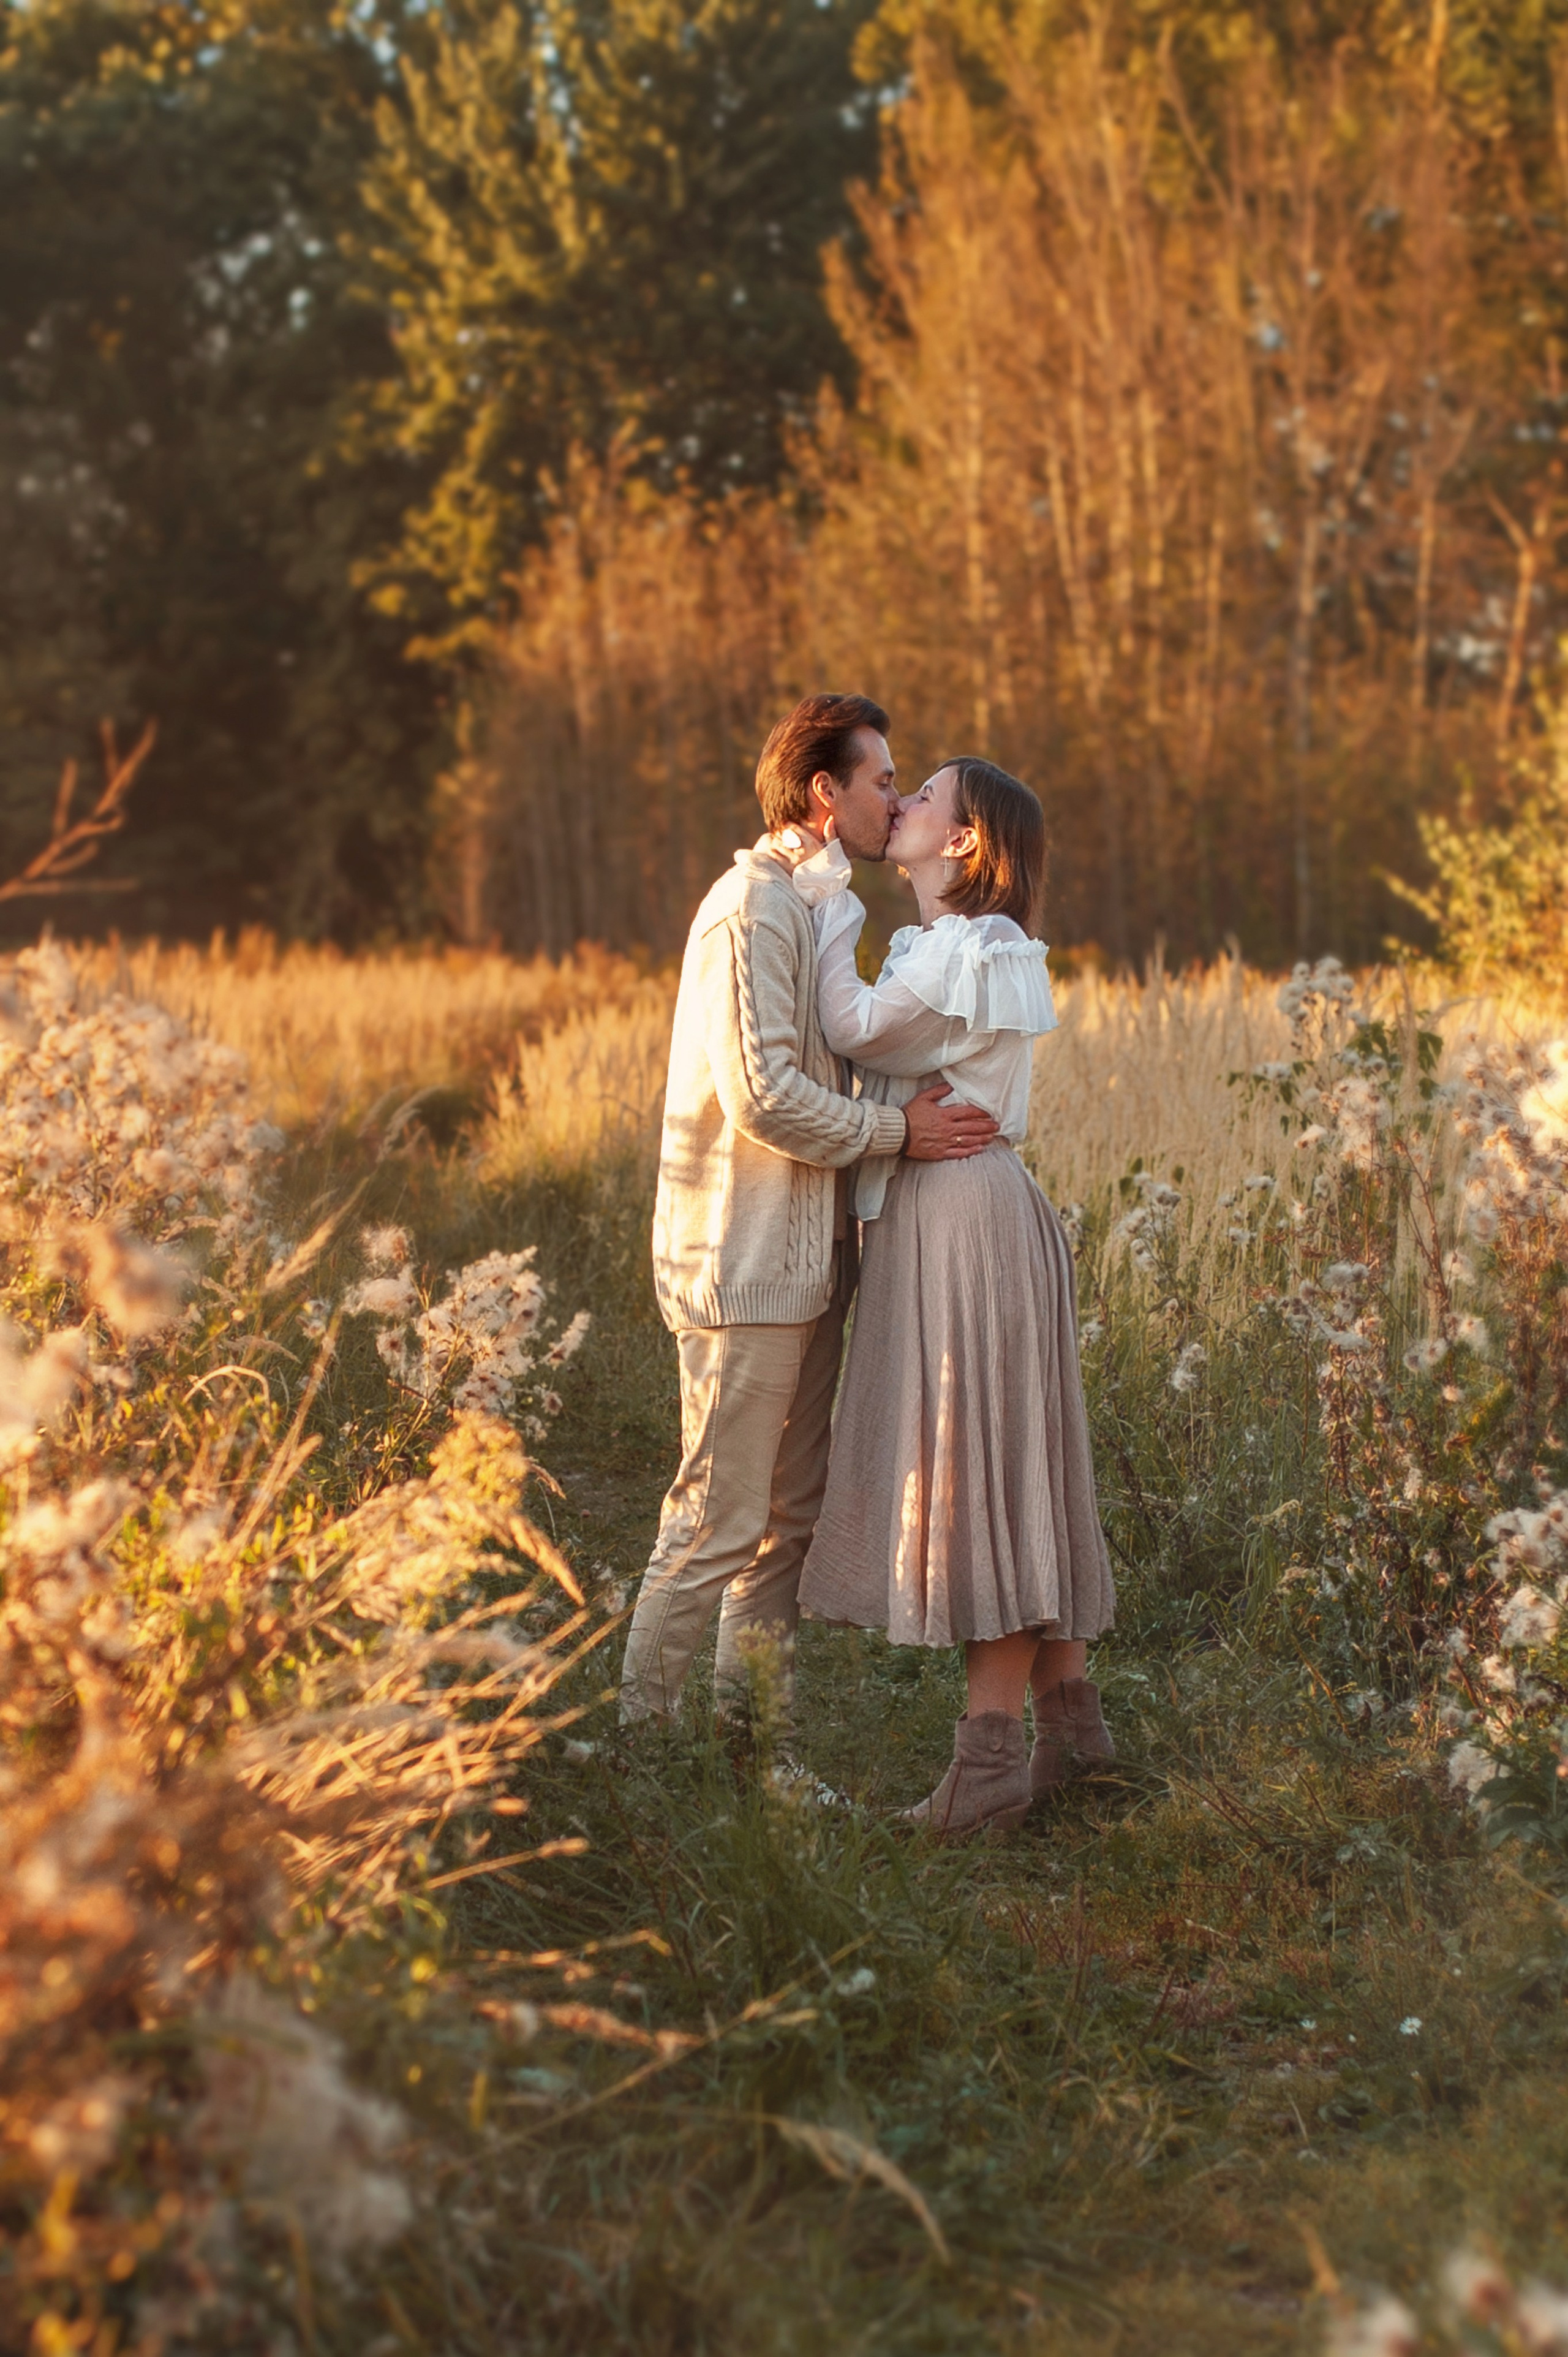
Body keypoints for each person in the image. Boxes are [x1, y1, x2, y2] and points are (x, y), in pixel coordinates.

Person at [618, 696, 1000, 1727]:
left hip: (811, 1267)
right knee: (714, 1521)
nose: (896, 800)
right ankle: (643, 1761)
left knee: (785, 1526)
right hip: (743, 1266)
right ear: (826, 791)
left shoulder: (817, 909)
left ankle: (753, 1754)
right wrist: (898, 1134)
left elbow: (832, 1066)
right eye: (884, 780)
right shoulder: (753, 909)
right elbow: (764, 1097)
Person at [794, 757, 1115, 1833]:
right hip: (960, 1211)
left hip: (966, 1219)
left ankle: (986, 1769)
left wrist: (825, 896)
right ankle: (1073, 1734)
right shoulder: (948, 948)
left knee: (985, 1474)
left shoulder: (972, 946)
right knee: (1010, 1463)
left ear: (966, 840)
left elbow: (851, 1027)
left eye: (924, 795)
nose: (902, 805)